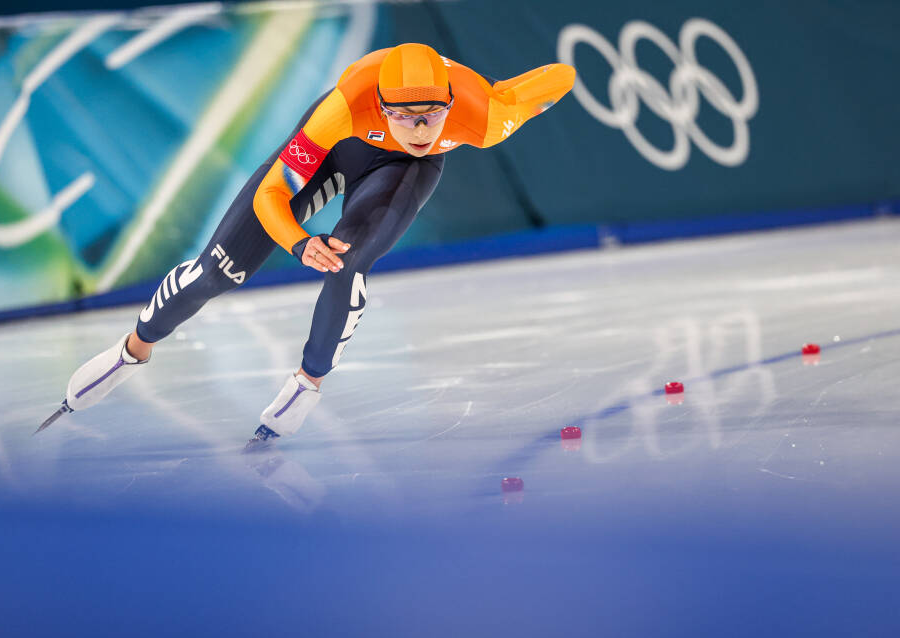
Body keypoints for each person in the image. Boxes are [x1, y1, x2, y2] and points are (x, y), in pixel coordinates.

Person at [38, 43, 576, 441]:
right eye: (404, 116)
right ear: (382, 107)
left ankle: (306, 383)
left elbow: (551, 81)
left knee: (348, 265)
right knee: (217, 271)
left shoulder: (482, 117)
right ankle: (131, 351)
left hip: (401, 174)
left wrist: (544, 85)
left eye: (431, 116)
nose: (418, 129)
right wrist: (297, 243)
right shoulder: (339, 110)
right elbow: (272, 193)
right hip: (337, 149)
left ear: (450, 104)